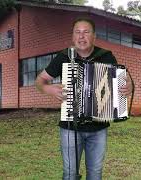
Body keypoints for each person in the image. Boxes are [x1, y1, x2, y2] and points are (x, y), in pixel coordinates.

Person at [35, 17, 133, 180]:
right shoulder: (64, 57)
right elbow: (40, 80)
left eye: (86, 32)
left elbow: (126, 80)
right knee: (70, 174)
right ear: (73, 37)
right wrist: (48, 88)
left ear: (94, 36)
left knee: (95, 173)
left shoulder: (106, 56)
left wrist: (129, 86)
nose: (81, 36)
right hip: (69, 127)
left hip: (98, 128)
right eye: (77, 32)